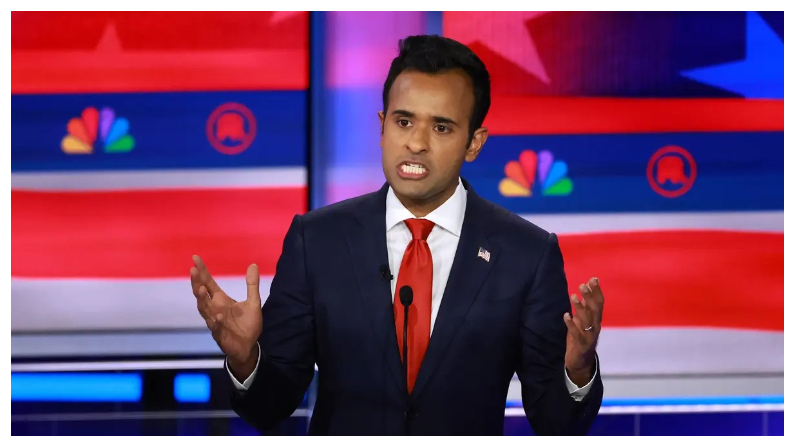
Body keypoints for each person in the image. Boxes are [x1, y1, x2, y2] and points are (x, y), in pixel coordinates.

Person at [190, 34, 604, 436]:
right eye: (404, 121)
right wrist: (247, 360)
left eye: (441, 128)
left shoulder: (526, 254)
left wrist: (578, 369)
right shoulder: (317, 241)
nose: (416, 143)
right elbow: (271, 407)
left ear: (473, 143)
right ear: (382, 125)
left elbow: (556, 423)